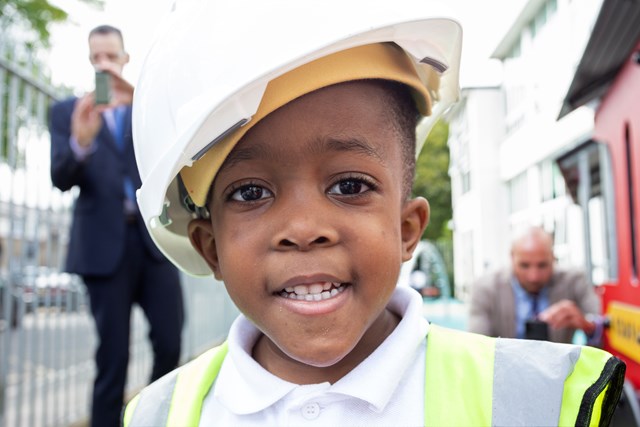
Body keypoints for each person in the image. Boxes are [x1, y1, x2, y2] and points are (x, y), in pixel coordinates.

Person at [123, 2, 624, 425]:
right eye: (250, 192)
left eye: (348, 185)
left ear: (408, 230)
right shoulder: (157, 415)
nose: (303, 230)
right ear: (210, 247)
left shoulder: (551, 402)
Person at [48, 25, 184, 427]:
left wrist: (142, 101)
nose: (103, 65)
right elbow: (59, 177)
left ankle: (156, 419)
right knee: (113, 357)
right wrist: (81, 143)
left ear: (125, 59)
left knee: (170, 342)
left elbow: (176, 153)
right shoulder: (68, 113)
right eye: (96, 59)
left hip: (151, 241)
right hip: (102, 249)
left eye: (111, 57)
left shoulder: (147, 109)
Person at [468, 226, 602, 344]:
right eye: (524, 265)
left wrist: (588, 326)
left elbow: (605, 329)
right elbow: (476, 347)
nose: (534, 277)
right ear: (511, 257)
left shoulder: (574, 281)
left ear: (553, 258)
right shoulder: (485, 288)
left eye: (542, 265)